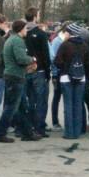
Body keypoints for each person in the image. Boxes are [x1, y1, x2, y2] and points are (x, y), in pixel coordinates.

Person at [0, 19, 39, 143]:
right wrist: (32, 59)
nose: (27, 31)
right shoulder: (18, 41)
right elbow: (21, 58)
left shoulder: (9, 40)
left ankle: (27, 132)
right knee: (11, 107)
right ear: (20, 29)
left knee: (21, 106)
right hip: (15, 77)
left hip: (11, 75)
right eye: (25, 29)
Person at [54, 23, 89, 140]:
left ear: (70, 33)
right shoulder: (85, 46)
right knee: (78, 104)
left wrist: (65, 67)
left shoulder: (65, 45)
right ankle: (78, 131)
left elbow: (57, 61)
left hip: (66, 78)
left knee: (68, 105)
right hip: (81, 77)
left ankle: (69, 132)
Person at [24, 8, 51, 138]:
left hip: (24, 70)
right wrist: (48, 72)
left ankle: (27, 127)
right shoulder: (40, 34)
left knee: (29, 100)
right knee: (41, 100)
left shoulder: (21, 33)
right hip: (39, 70)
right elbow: (46, 55)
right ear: (35, 17)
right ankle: (39, 128)